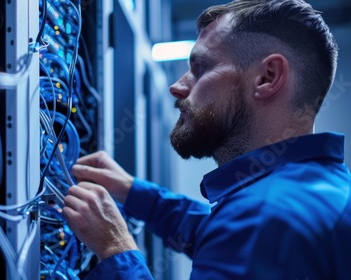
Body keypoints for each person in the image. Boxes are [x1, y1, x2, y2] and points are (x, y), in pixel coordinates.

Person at [62, 0, 351, 279]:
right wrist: (133, 192)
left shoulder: (263, 217)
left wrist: (115, 249)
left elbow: (242, 231)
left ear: (267, 77)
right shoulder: (317, 190)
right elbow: (218, 232)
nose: (177, 86)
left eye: (201, 67)